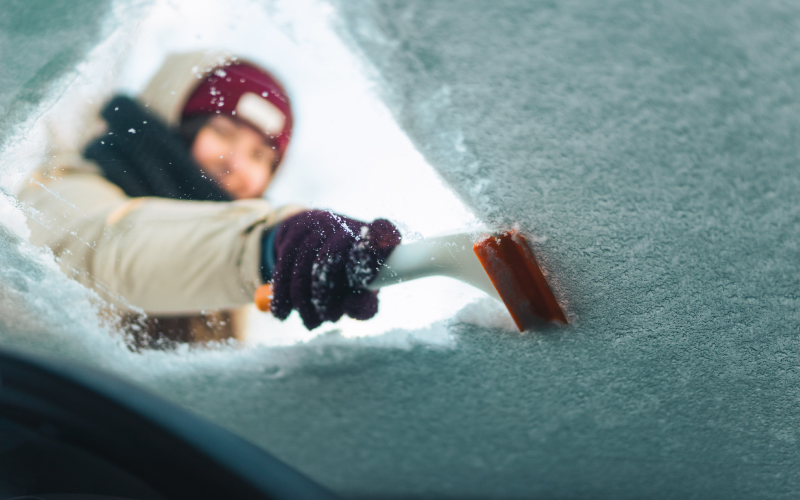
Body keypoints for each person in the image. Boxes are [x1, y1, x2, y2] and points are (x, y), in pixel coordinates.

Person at [16, 51, 400, 348]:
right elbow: (112, 250)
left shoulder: (248, 293)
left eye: (260, 156)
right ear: (175, 123)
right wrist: (268, 246)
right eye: (222, 132)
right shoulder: (63, 188)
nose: (236, 163)